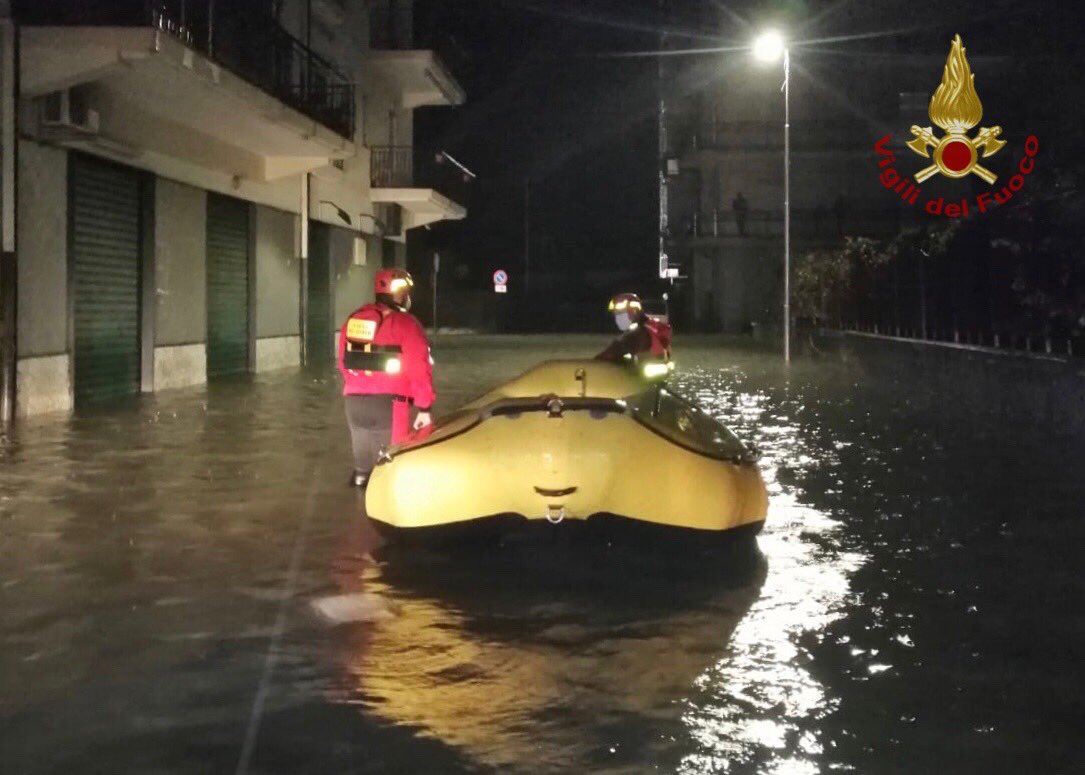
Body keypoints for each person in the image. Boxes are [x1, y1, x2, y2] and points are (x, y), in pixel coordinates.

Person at [338, 268, 435, 488]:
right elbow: (419, 368)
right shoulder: (406, 323)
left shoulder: (353, 320)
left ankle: (355, 514)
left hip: (353, 404)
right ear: (401, 296)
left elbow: (343, 362)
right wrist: (424, 408)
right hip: (389, 406)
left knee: (363, 474)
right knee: (391, 471)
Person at [595, 292, 672, 364]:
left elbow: (611, 353)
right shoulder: (645, 329)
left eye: (620, 315)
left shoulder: (636, 335)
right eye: (616, 316)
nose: (617, 319)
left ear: (634, 312)